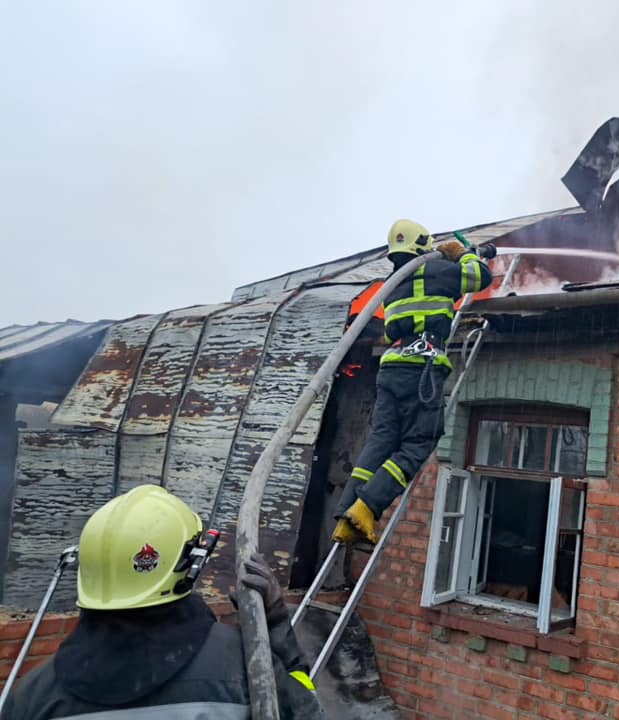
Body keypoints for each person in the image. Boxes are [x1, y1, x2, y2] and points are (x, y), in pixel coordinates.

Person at [0, 484, 323, 719]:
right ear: (189, 564)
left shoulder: (32, 696)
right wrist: (275, 629)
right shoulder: (246, 667)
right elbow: (307, 711)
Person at [332, 219, 494, 545]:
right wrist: (463, 254)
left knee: (380, 441)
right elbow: (481, 277)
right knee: (420, 440)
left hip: (391, 368)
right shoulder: (436, 271)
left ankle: (346, 516)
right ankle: (367, 507)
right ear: (423, 243)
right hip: (422, 367)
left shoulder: (394, 283)